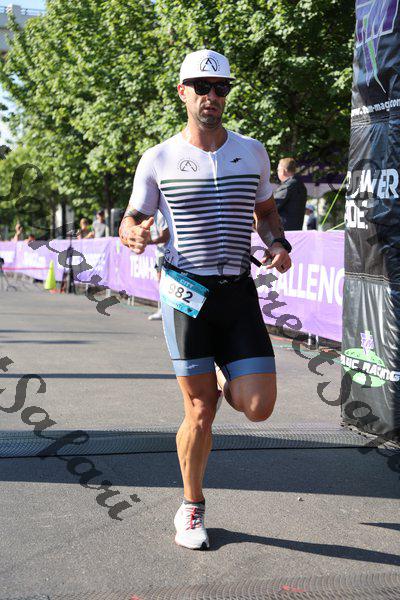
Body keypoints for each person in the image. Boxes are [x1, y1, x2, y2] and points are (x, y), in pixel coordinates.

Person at [119, 49, 292, 550]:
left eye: (221, 88)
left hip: (237, 291)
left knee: (258, 407)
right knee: (199, 411)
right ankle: (191, 507)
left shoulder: (252, 152)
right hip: (186, 294)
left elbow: (265, 212)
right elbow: (132, 220)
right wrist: (134, 234)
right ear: (182, 93)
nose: (211, 96)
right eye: (201, 87)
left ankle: (221, 374)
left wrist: (278, 243)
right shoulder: (158, 158)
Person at [147, 211, 170, 320]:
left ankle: (164, 311)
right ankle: (163, 310)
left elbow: (165, 237)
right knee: (161, 282)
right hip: (160, 252)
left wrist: (148, 242)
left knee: (163, 282)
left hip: (165, 253)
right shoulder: (152, 215)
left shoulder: (160, 214)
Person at [274, 157, 307, 230]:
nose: (277, 172)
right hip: (296, 229)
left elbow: (272, 206)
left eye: (278, 170)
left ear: (283, 171)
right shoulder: (301, 185)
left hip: (283, 230)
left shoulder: (288, 186)